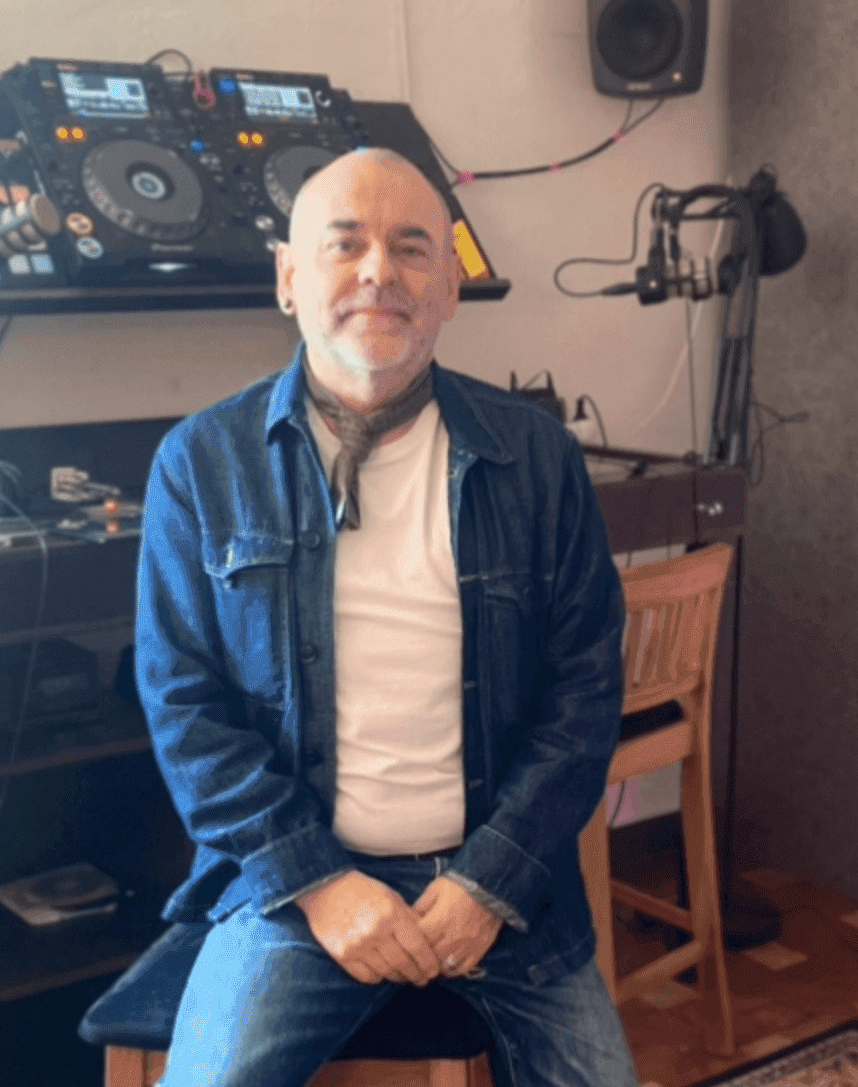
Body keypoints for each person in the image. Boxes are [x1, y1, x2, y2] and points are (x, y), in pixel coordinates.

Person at [134, 147, 638, 1087]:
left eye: (412, 248)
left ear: (450, 287)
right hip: (295, 888)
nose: (380, 272)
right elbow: (183, 707)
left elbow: (584, 691)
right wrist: (320, 884)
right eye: (345, 245)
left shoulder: (537, 459)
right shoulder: (202, 464)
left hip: (505, 887)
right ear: (288, 279)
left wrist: (489, 881)